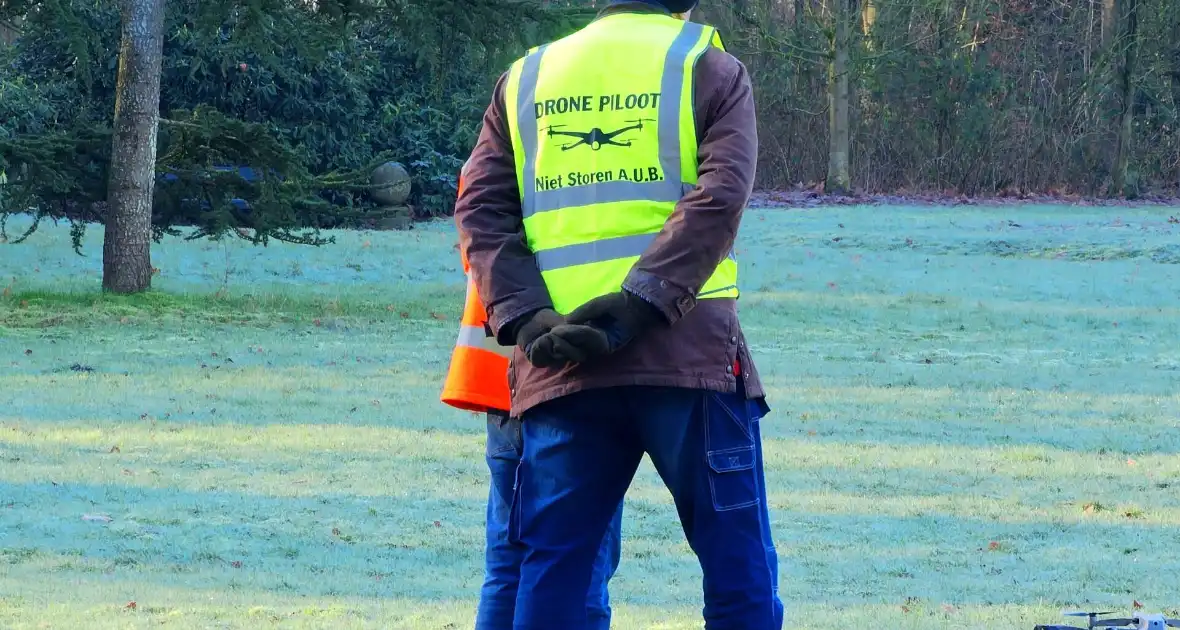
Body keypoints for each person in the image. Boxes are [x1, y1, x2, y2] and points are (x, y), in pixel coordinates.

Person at [455, 0, 784, 628]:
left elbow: (481, 211)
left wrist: (525, 318)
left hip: (561, 366)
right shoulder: (707, 67)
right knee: (736, 566)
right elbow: (720, 197)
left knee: (552, 571)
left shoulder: (527, 77)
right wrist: (642, 303)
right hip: (687, 356)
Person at [440, 168, 625, 630]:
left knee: (507, 565)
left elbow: (478, 255)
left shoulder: (492, 163)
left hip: (500, 388)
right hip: (570, 385)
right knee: (581, 569)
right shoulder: (586, 171)